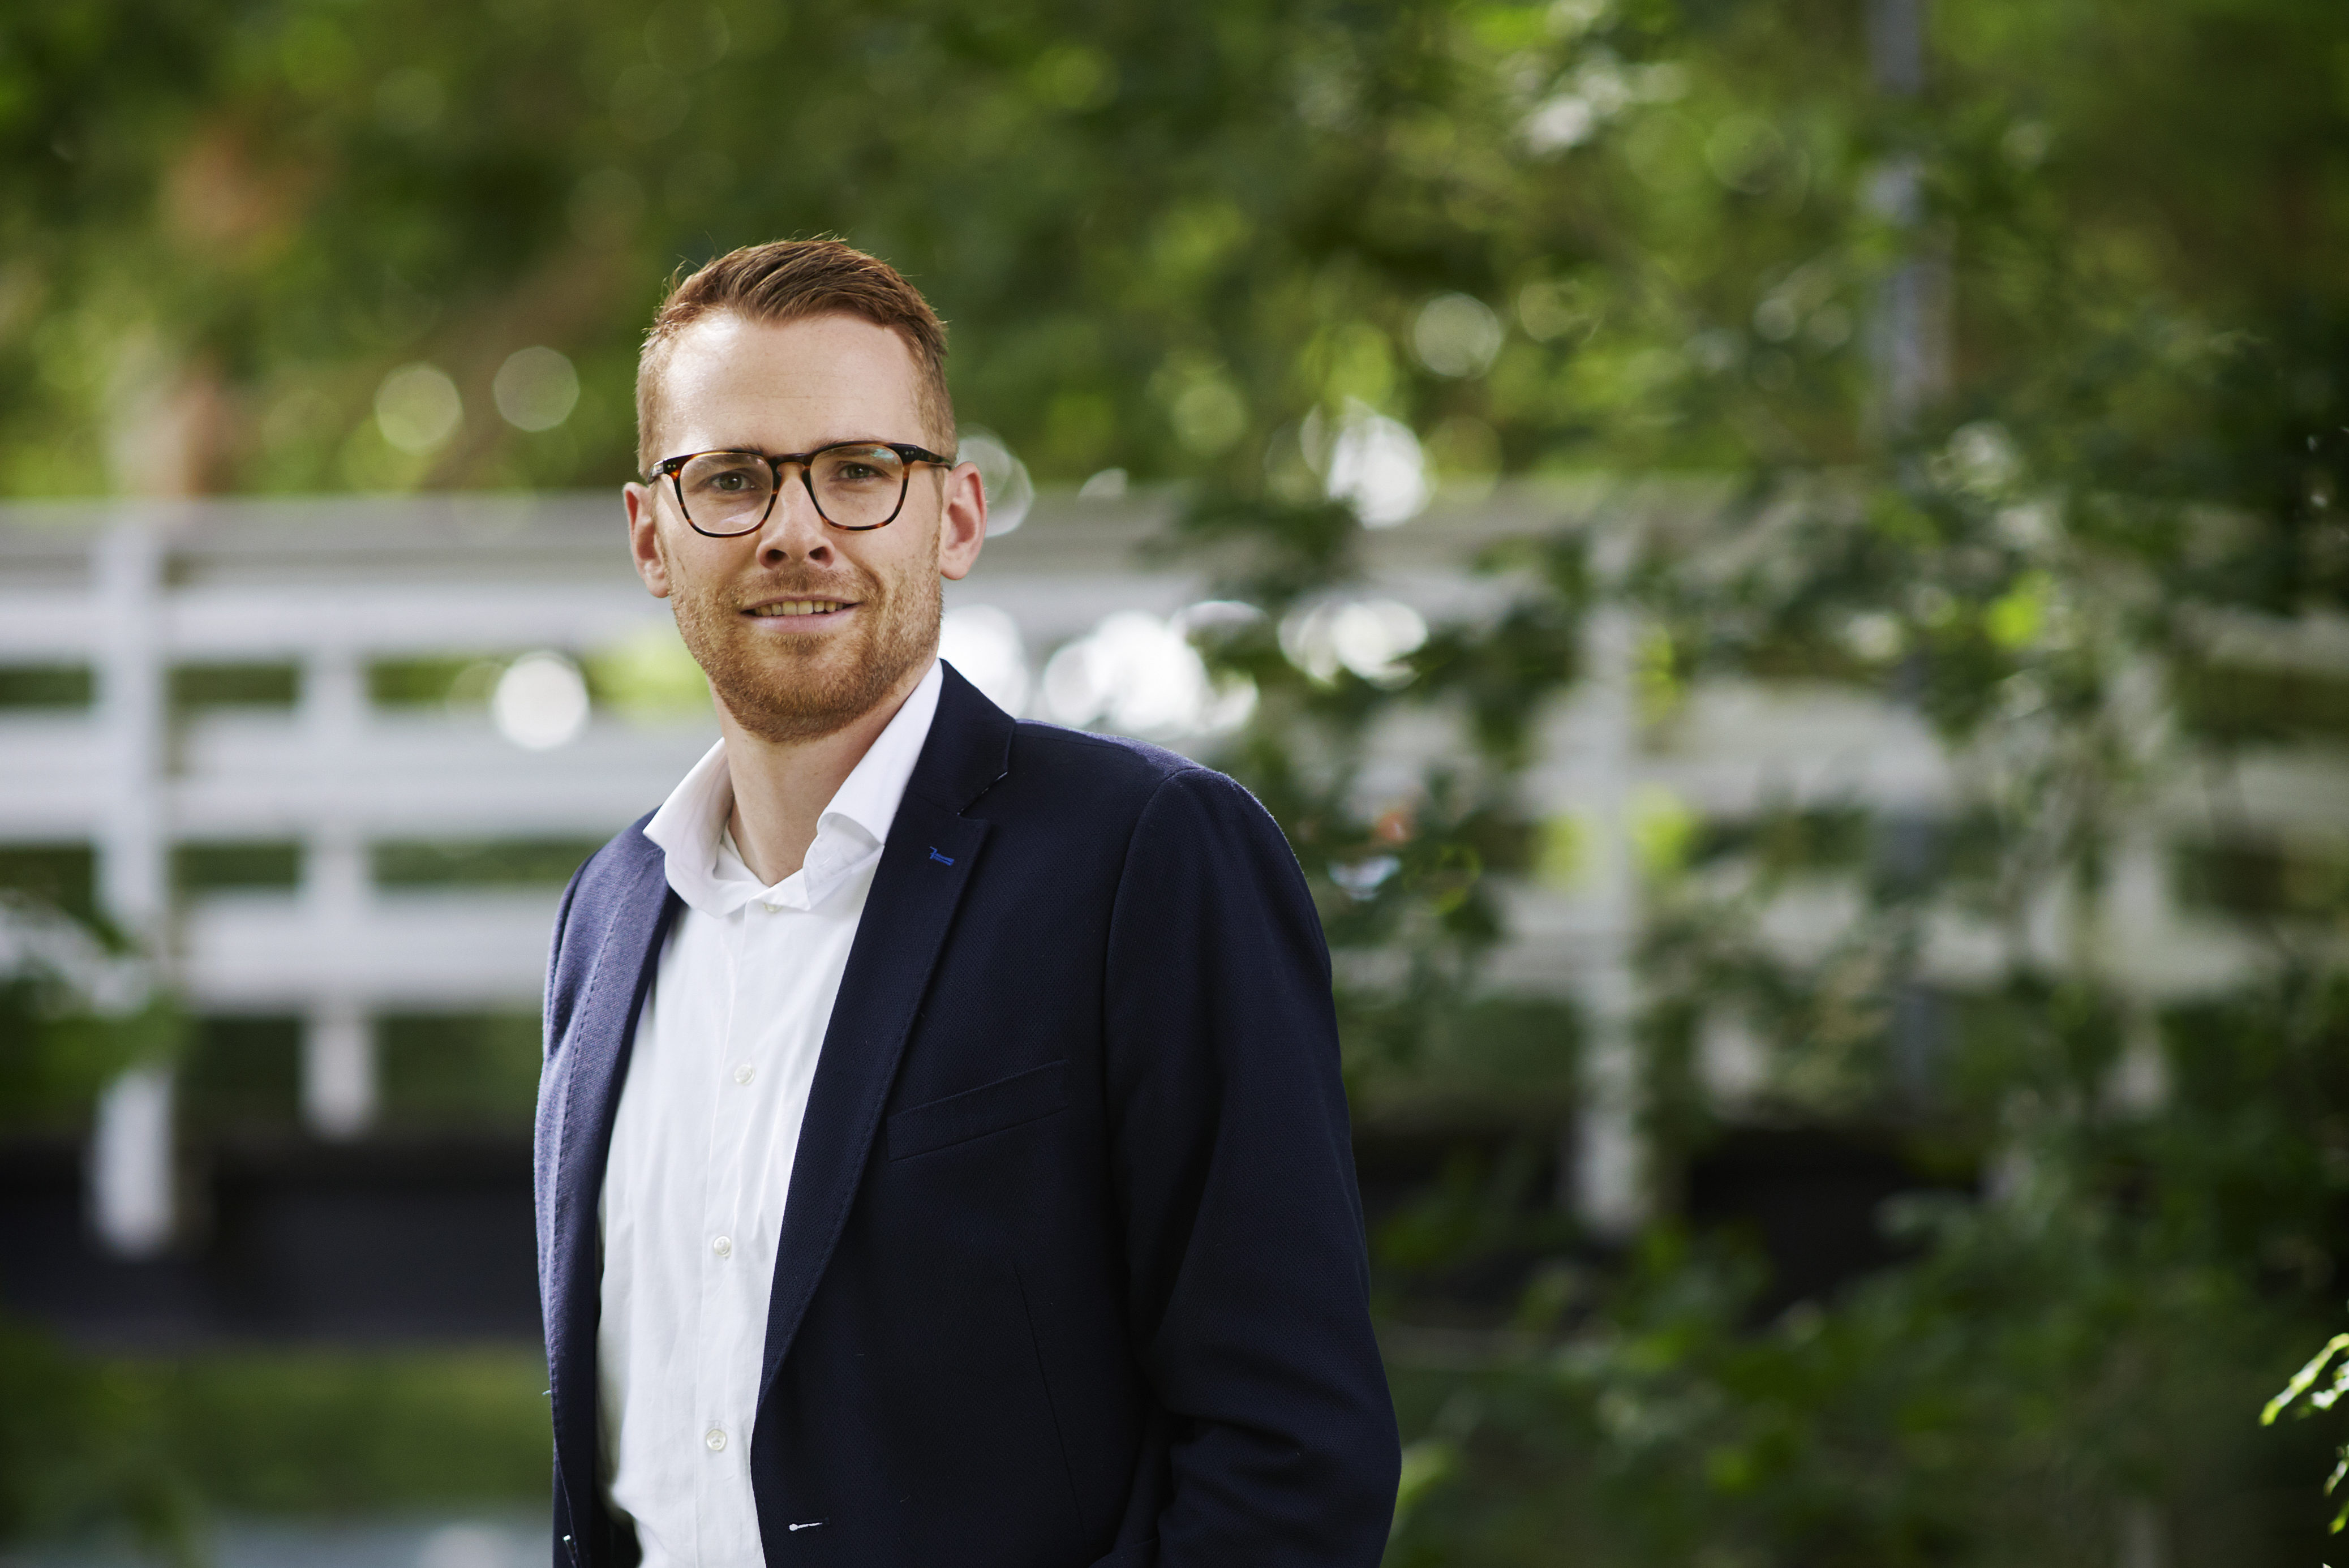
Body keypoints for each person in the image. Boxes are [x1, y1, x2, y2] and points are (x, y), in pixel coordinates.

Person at [534, 238, 1399, 1568]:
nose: (796, 529)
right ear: (654, 536)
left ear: (956, 517)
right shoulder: (606, 921)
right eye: (731, 480)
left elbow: (1293, 1460)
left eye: (859, 470)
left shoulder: (1149, 859)